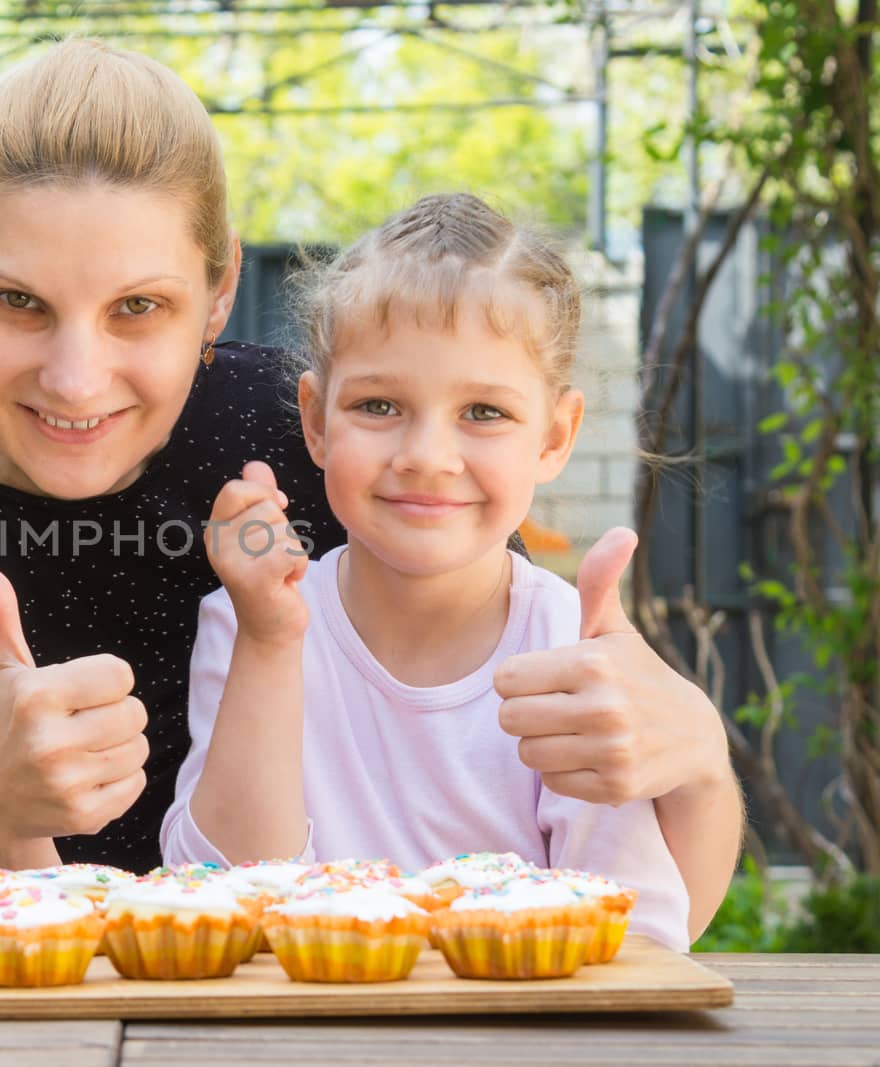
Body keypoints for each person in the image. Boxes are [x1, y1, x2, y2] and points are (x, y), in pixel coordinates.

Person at [0, 40, 741, 936]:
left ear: (219, 291)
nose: (77, 379)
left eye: (139, 307)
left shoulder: (301, 444)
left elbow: (615, 881)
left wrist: (695, 756)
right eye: (20, 302)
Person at [159, 194, 690, 945]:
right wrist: (270, 642)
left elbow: (639, 925)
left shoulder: (569, 642)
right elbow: (225, 897)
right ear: (315, 421)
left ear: (555, 436)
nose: (427, 456)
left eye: (483, 412)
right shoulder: (249, 618)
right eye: (379, 405)